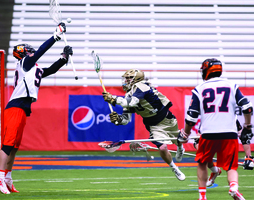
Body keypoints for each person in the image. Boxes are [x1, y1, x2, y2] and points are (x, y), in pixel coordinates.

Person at [0, 22, 73, 194]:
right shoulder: (25, 63)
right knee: (8, 144)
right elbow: (41, 51)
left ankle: (7, 178)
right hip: (16, 105)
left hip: (23, 106)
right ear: (23, 53)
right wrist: (56, 36)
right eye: (28, 50)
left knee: (14, 146)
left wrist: (63, 58)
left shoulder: (33, 68)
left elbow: (50, 70)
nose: (31, 52)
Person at [180, 58, 253, 200]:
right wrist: (247, 125)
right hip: (230, 133)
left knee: (202, 163)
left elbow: (191, 117)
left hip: (208, 133)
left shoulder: (199, 89)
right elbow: (247, 107)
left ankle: (202, 196)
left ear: (206, 71)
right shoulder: (232, 86)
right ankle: (233, 187)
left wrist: (186, 133)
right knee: (231, 166)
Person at [102, 69, 186, 181]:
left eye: (129, 78)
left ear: (136, 78)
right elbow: (126, 119)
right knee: (162, 147)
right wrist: (118, 120)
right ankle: (174, 168)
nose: (126, 81)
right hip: (153, 125)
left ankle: (180, 147)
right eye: (125, 78)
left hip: (166, 118)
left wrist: (113, 99)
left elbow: (132, 102)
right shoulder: (128, 94)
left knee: (179, 139)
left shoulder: (141, 86)